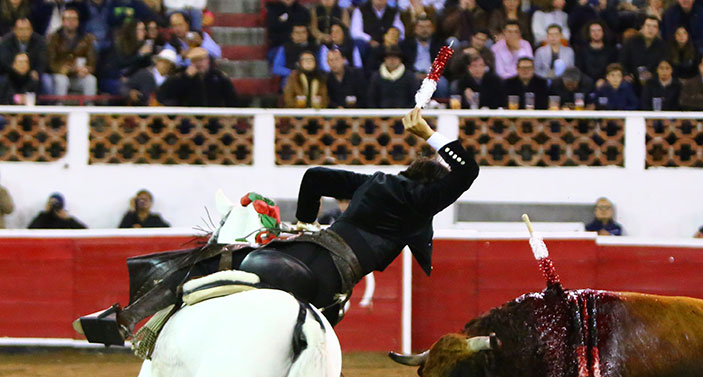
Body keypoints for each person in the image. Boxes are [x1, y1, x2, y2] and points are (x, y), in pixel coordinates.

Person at [75, 108, 480, 345]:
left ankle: (127, 319)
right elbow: (468, 170)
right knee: (308, 341)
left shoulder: (377, 182)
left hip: (306, 248)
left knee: (222, 254)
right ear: (432, 188)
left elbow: (315, 176)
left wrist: (304, 222)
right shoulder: (420, 202)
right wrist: (430, 132)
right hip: (330, 279)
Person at [157, 46, 238, 107]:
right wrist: (186, 77)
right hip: (188, 122)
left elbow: (232, 100)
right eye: (195, 60)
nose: (198, 64)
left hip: (215, 122)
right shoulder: (181, 76)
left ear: (207, 60)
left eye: (201, 60)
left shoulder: (219, 77)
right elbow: (164, 95)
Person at [47, 7, 98, 97]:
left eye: (74, 19)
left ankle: (89, 107)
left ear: (78, 22)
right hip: (61, 74)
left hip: (79, 75)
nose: (71, 22)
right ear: (63, 21)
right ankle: (60, 108)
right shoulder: (54, 38)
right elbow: (50, 61)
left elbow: (92, 59)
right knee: (62, 80)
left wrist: (87, 69)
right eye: (68, 19)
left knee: (91, 80)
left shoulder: (86, 38)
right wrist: (63, 69)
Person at [621, 15, 666, 86]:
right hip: (632, 79)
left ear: (658, 30)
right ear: (643, 27)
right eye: (648, 26)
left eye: (654, 27)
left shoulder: (662, 45)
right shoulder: (631, 41)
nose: (651, 29)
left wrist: (653, 74)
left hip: (653, 80)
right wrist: (626, 74)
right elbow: (622, 61)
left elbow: (663, 64)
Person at [575, 20, 617, 88]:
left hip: (607, 83)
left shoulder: (611, 50)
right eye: (593, 31)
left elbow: (613, 68)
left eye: (599, 30)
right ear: (588, 33)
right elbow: (579, 69)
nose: (596, 33)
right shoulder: (581, 51)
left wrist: (604, 79)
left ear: (603, 32)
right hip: (586, 83)